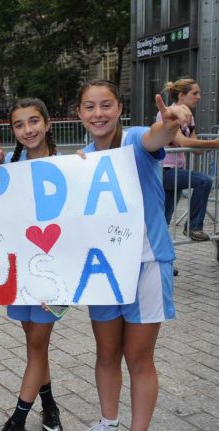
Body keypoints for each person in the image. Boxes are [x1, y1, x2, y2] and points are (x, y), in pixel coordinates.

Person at [76, 79, 190, 431]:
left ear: (119, 108)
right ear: (79, 114)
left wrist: (170, 123)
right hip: (104, 270)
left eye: (106, 104)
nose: (99, 113)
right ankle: (108, 422)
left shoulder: (134, 139)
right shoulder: (82, 158)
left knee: (138, 359)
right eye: (90, 107)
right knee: (106, 355)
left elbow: (155, 136)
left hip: (147, 264)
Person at [0, 98, 64, 431]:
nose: (28, 130)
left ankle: (17, 419)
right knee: (34, 345)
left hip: (54, 275)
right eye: (20, 125)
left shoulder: (70, 166)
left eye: (34, 121)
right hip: (22, 273)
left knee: (38, 345)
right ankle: (50, 406)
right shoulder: (10, 169)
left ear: (48, 123)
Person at [159, 78, 219, 241]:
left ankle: (162, 263)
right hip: (164, 170)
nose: (199, 97)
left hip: (176, 171)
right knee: (204, 180)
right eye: (195, 93)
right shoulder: (167, 113)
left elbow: (197, 150)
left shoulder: (189, 117)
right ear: (181, 96)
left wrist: (210, 146)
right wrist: (213, 143)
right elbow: (183, 142)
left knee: (164, 218)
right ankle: (193, 227)